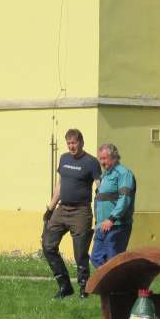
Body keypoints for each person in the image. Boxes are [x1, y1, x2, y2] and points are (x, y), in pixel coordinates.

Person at [42, 128, 101, 299]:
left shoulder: (91, 162)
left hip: (81, 211)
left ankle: (84, 289)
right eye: (68, 143)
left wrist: (101, 212)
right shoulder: (64, 158)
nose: (71, 146)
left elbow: (100, 186)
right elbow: (60, 185)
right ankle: (65, 285)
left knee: (80, 253)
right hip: (62, 209)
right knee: (48, 245)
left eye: (74, 143)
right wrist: (50, 208)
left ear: (81, 142)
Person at [91, 143, 135, 268]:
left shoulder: (124, 174)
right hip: (102, 226)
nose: (102, 162)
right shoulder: (105, 175)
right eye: (100, 159)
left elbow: (125, 199)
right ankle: (111, 280)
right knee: (96, 258)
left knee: (113, 262)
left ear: (114, 157)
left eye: (104, 158)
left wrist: (111, 218)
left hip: (116, 225)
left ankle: (118, 280)